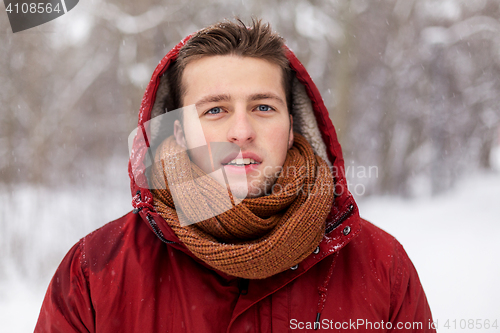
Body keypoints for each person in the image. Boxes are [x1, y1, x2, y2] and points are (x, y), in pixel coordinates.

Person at [35, 18, 435, 332]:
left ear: (293, 126)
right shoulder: (95, 271)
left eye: (263, 107)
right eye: (215, 110)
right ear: (179, 132)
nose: (241, 131)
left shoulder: (381, 266)